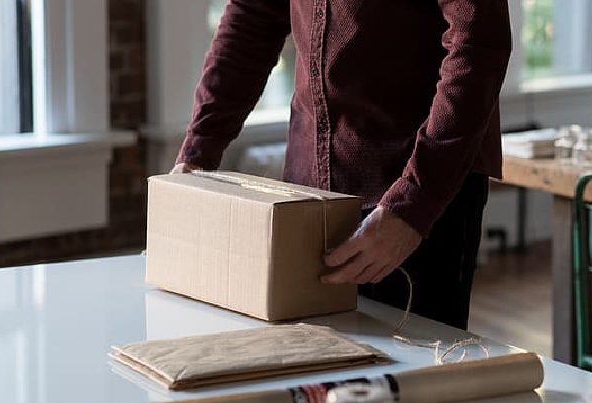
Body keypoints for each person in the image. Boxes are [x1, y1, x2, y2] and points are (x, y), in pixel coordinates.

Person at [171, 1, 512, 330]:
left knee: (413, 381)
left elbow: (479, 44)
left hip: (415, 195)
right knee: (311, 375)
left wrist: (413, 204)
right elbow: (251, 18)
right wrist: (196, 154)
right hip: (307, 194)